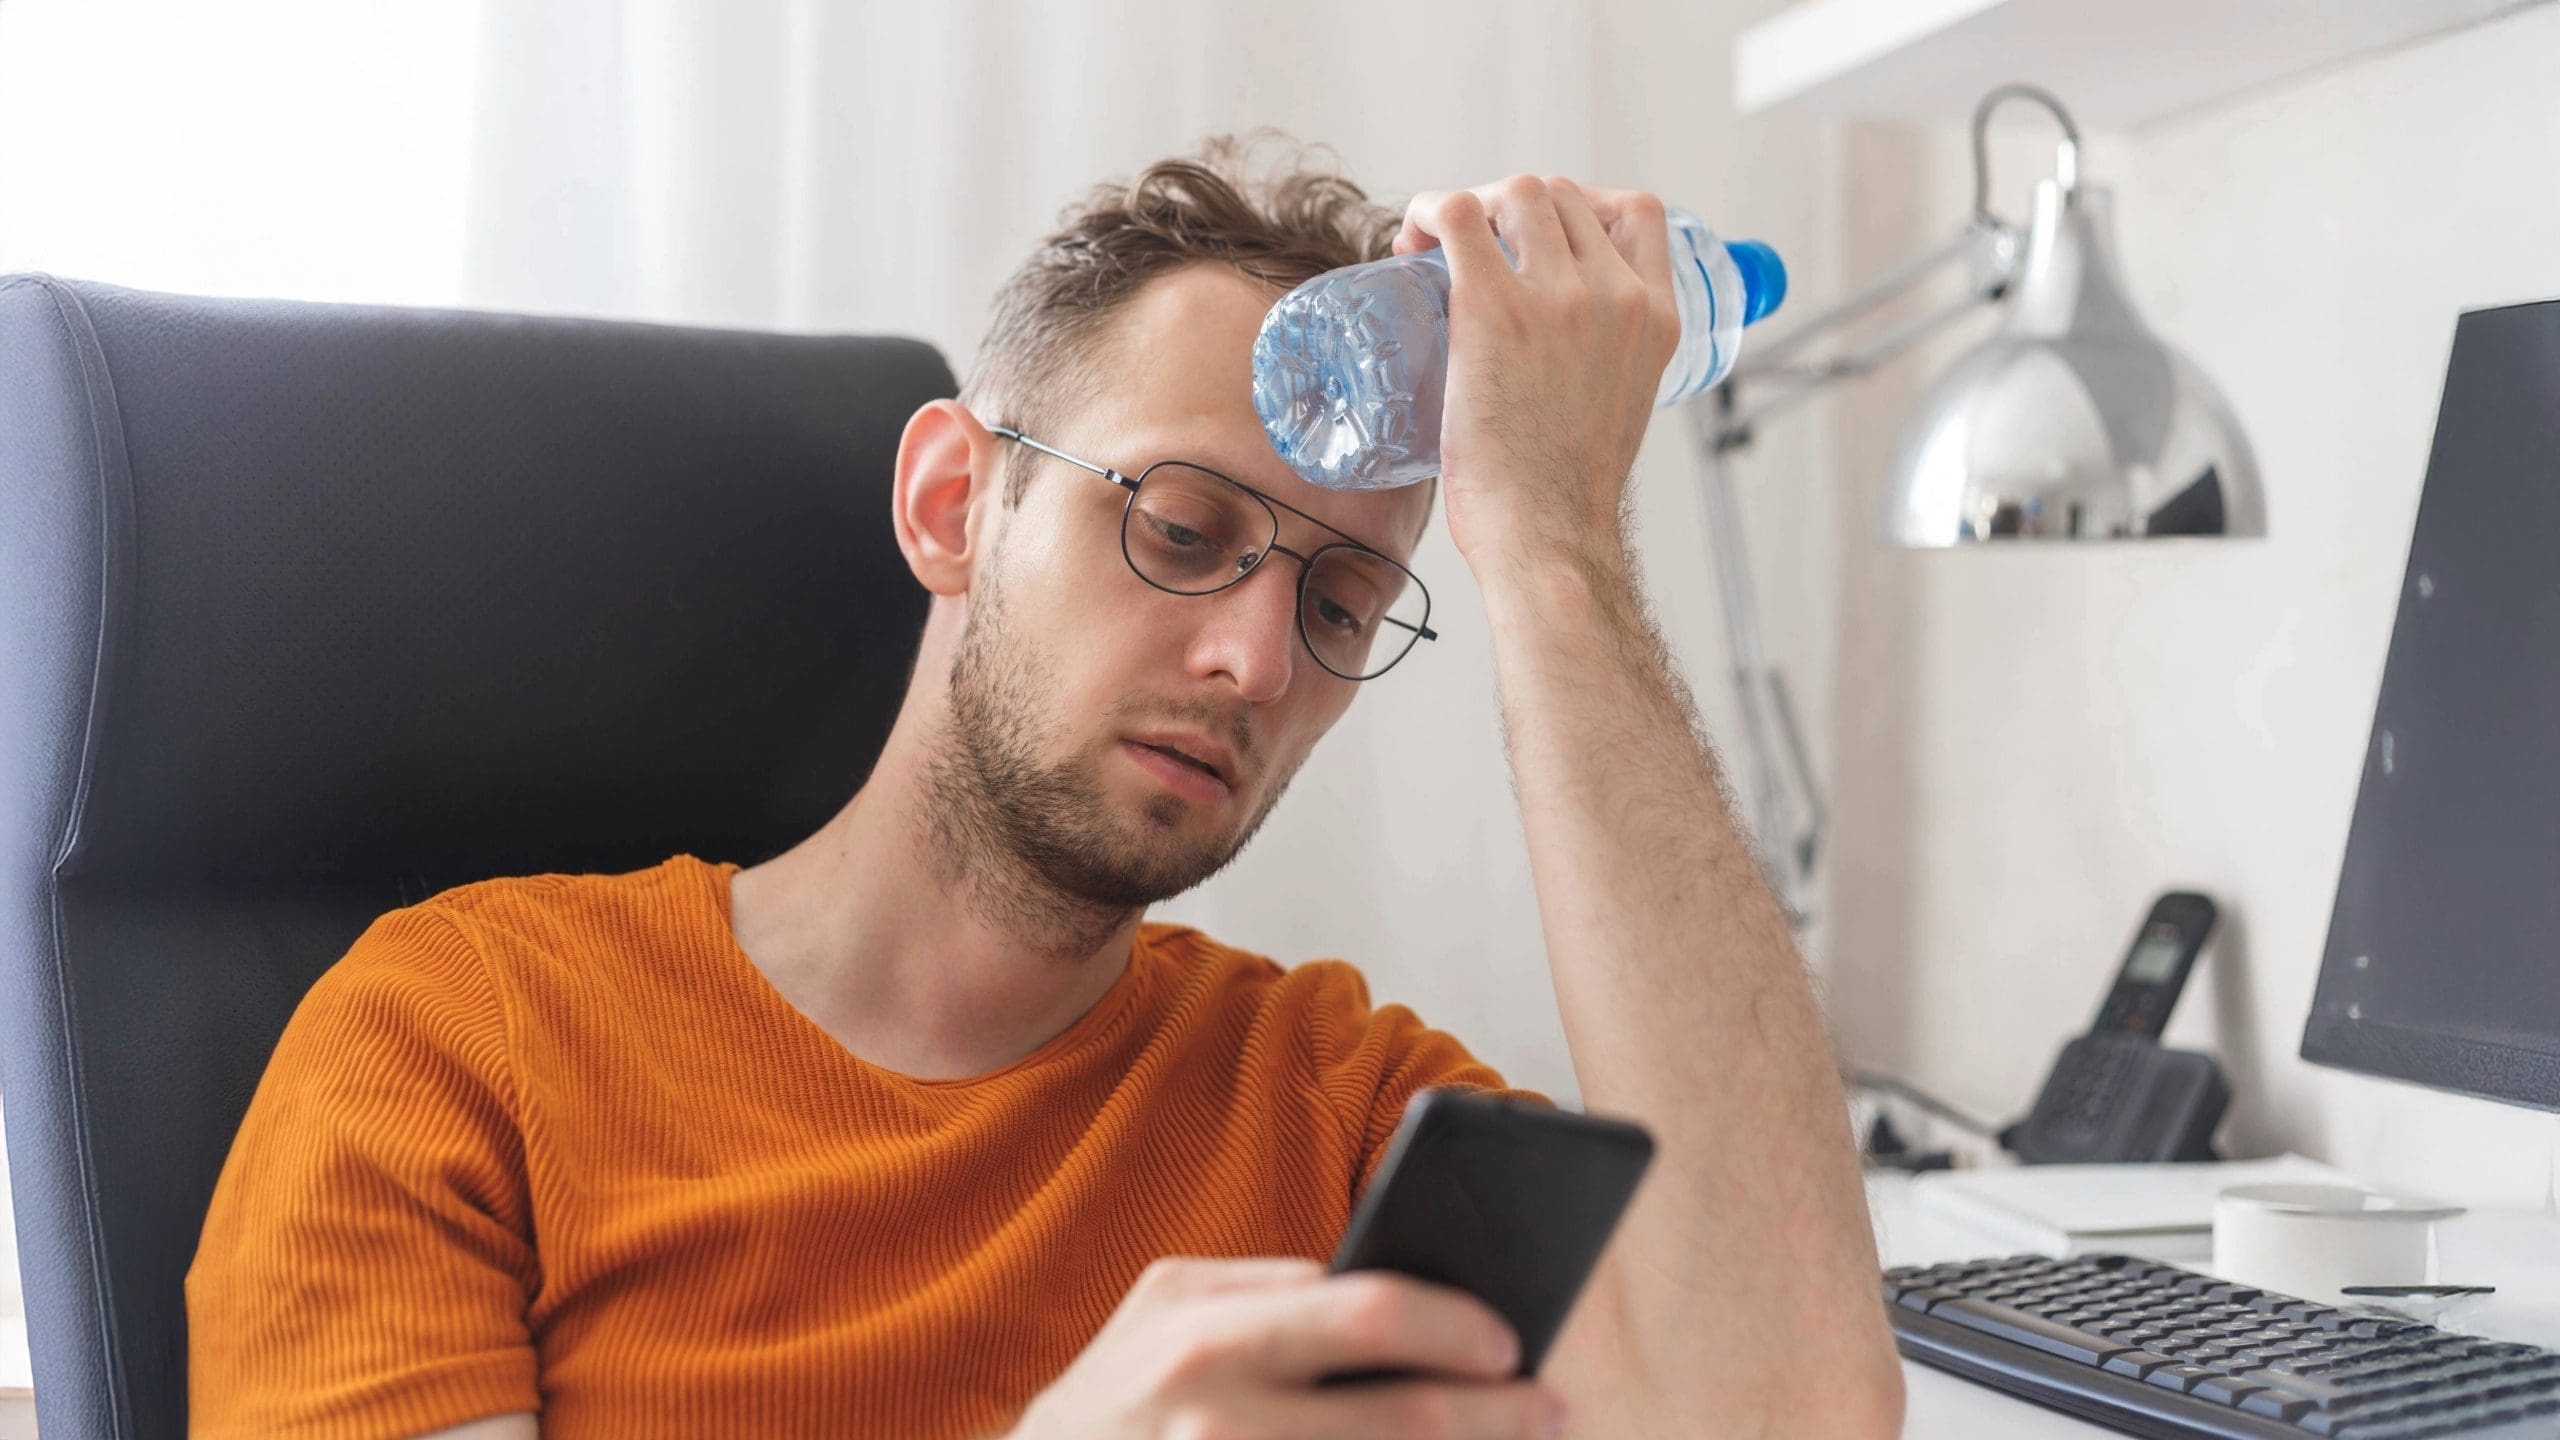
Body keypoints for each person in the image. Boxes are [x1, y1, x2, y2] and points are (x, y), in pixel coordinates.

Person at [187, 132, 1903, 1440]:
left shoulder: (1337, 1110)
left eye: (1337, 601)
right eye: (1179, 529)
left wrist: (1551, 549)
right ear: (952, 506)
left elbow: (1790, 1413)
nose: (1255, 661)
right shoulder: (453, 1040)